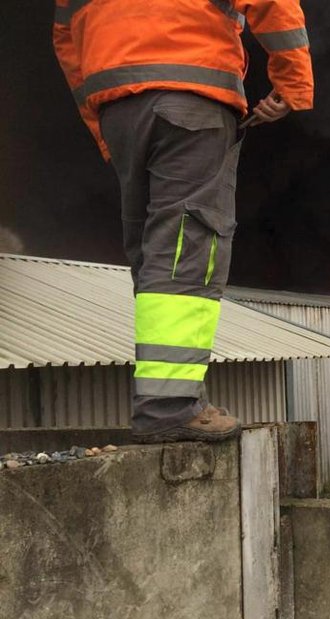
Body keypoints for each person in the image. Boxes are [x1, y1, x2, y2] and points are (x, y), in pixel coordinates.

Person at [53, 0, 314, 442]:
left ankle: (165, 398)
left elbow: (67, 41)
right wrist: (293, 84)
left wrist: (104, 128)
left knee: (154, 254)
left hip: (119, 111)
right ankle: (169, 408)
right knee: (185, 251)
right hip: (192, 100)